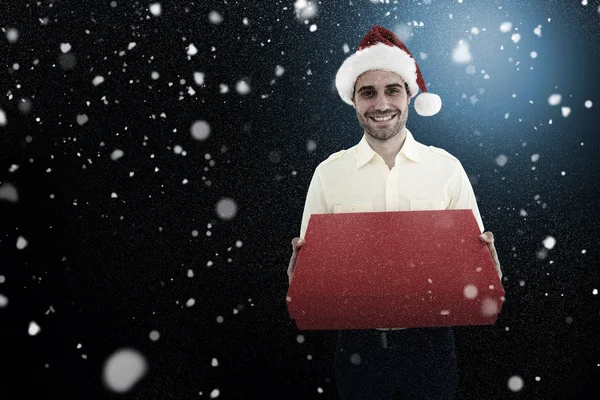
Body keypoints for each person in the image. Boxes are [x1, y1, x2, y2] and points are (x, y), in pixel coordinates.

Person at [287, 26, 502, 399]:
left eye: (393, 90)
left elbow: (476, 270)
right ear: (353, 100)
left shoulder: (446, 168)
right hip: (357, 349)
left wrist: (488, 268)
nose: (381, 103)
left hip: (432, 348)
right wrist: (300, 274)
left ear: (408, 96)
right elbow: (311, 272)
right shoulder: (329, 173)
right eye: (368, 92)